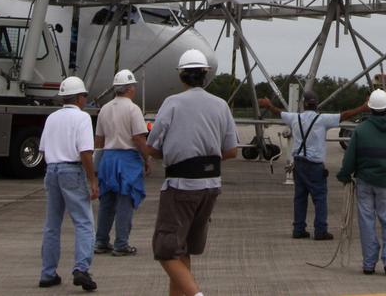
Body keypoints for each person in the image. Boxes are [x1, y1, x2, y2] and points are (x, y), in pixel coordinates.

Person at [143, 48, 237, 296]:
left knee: (165, 249)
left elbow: (151, 147)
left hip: (180, 186)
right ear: (205, 75)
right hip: (210, 187)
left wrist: (175, 154)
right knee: (182, 250)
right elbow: (231, 150)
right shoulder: (221, 105)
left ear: (181, 76)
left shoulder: (172, 103)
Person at [257, 91, 367, 240]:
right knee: (320, 198)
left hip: (299, 163)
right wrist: (363, 107)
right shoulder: (322, 119)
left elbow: (279, 112)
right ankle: (320, 230)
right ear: (316, 104)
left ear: (304, 104)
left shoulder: (295, 118)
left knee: (300, 198)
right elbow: (344, 115)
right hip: (315, 165)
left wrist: (269, 105)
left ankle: (298, 228)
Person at [336, 88, 386, 276]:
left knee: (366, 222)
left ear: (370, 109)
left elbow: (349, 158)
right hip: (385, 185)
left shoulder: (360, 130)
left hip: (364, 182)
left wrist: (344, 175)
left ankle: (369, 264)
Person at [38, 76, 99, 292]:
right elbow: (85, 152)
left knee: (52, 225)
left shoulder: (52, 118)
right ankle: (81, 268)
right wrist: (92, 179)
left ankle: (47, 273)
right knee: (84, 222)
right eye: (85, 95)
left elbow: (43, 149)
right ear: (80, 97)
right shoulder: (82, 118)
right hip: (71, 170)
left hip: (52, 170)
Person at [95, 69, 151, 257]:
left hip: (108, 158)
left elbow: (99, 140)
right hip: (127, 159)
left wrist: (98, 163)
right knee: (125, 202)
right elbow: (138, 138)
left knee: (107, 202)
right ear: (129, 89)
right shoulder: (133, 109)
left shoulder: (105, 108)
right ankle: (121, 243)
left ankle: (101, 241)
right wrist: (147, 159)